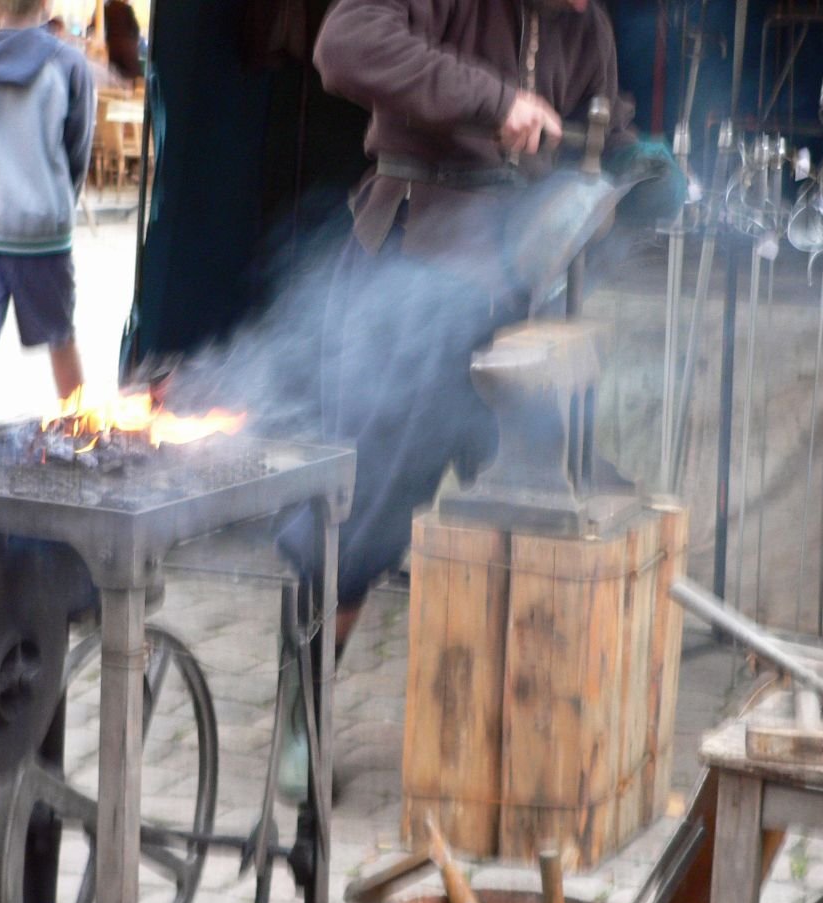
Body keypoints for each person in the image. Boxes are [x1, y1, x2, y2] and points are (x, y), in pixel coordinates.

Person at [270, 0, 679, 799]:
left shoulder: (585, 26)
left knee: (548, 491)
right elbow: (343, 44)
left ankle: (525, 725)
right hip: (407, 272)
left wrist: (637, 165)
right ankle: (302, 704)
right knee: (366, 513)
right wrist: (496, 101)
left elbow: (596, 138)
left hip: (514, 293)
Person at [0, 0, 94, 430]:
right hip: (41, 233)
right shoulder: (69, 64)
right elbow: (77, 148)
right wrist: (59, 200)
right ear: (48, 3)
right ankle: (80, 434)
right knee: (60, 337)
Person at [102, 0, 139, 79]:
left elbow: (95, 27)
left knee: (114, 77)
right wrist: (133, 44)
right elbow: (135, 29)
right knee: (130, 77)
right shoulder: (126, 8)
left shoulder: (105, 9)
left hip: (113, 47)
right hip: (128, 48)